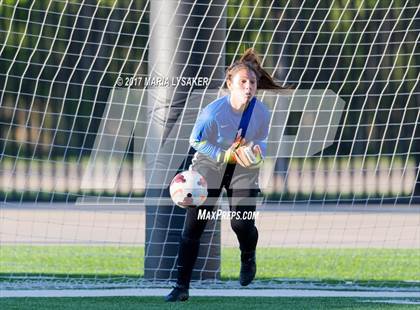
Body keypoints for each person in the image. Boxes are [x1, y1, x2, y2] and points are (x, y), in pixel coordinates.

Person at [165, 49, 285, 302]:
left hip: (243, 166)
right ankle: (181, 287)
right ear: (229, 84)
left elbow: (261, 139)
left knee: (241, 223)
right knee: (194, 227)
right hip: (210, 163)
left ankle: (248, 256)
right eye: (243, 82)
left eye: (252, 82)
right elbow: (195, 140)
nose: (249, 87)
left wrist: (256, 151)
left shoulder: (261, 112)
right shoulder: (213, 112)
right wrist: (224, 155)